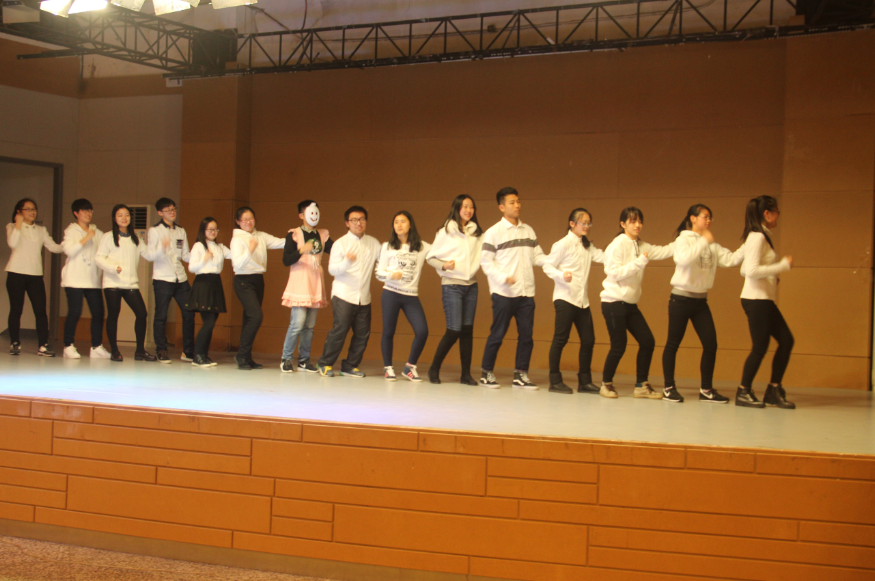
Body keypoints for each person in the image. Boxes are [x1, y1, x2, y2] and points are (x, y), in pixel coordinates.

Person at [661, 204, 744, 403]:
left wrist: (748, 245)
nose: (708, 220)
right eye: (705, 216)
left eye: (710, 218)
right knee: (673, 343)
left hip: (700, 302)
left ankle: (706, 390)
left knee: (710, 344)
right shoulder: (683, 239)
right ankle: (668, 388)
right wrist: (703, 241)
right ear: (693, 218)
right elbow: (683, 259)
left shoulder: (712, 245)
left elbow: (731, 259)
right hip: (680, 299)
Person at [599, 207, 674, 399]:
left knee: (647, 341)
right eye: (633, 221)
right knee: (619, 345)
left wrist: (685, 239)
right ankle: (605, 384)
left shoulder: (641, 245)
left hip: (630, 304)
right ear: (623, 224)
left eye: (640, 221)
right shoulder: (617, 244)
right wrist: (639, 263)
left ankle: (641, 385)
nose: (637, 225)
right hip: (613, 302)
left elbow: (665, 251)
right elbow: (613, 273)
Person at [479, 187, 546, 390]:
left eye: (518, 201)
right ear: (501, 207)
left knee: (527, 336)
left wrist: (553, 261)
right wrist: (503, 278)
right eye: (512, 202)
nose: (517, 205)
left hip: (526, 292)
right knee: (497, 334)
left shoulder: (528, 230)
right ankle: (486, 373)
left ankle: (520, 374)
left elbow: (537, 256)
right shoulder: (493, 232)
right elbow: (486, 262)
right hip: (504, 293)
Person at [737, 195, 794, 409]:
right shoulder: (757, 237)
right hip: (756, 299)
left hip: (764, 299)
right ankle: (743, 391)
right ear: (767, 214)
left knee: (786, 340)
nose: (779, 215)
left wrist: (772, 276)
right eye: (777, 211)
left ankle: (773, 390)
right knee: (760, 347)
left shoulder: (762, 236)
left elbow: (745, 269)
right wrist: (782, 266)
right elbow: (751, 271)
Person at [540, 208, 604, 394]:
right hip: (565, 298)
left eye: (589, 223)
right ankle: (555, 381)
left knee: (588, 340)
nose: (587, 226)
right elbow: (547, 265)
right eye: (583, 222)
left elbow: (604, 257)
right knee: (560, 339)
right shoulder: (562, 244)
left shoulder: (587, 246)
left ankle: (584, 382)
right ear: (572, 224)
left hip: (582, 301)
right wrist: (561, 275)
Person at [317, 206, 381, 378]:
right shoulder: (340, 244)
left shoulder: (374, 243)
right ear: (347, 223)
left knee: (362, 334)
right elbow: (332, 270)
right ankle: (324, 363)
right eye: (354, 220)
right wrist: (347, 261)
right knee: (340, 331)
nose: (358, 223)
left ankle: (350, 366)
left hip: (364, 297)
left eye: (362, 219)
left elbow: (382, 263)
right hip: (343, 295)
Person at [425, 195, 483, 385]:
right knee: (454, 329)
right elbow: (430, 257)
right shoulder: (445, 231)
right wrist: (444, 266)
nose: (468, 210)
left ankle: (465, 374)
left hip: (471, 286)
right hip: (452, 286)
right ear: (457, 208)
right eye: (464, 206)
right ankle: (434, 368)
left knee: (467, 330)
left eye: (471, 207)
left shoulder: (477, 233)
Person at [95, 204, 156, 362]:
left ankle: (140, 351)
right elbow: (99, 258)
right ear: (114, 218)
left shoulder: (136, 238)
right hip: (112, 283)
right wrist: (113, 268)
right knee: (113, 315)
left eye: (127, 215)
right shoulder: (108, 237)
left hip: (130, 284)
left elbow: (149, 255)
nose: (124, 218)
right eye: (120, 215)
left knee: (142, 313)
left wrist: (161, 247)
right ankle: (114, 350)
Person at [376, 211, 431, 382]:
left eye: (403, 221)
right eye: (396, 222)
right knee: (388, 331)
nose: (399, 225)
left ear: (410, 224)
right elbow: (378, 272)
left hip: (411, 296)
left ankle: (409, 367)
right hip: (390, 293)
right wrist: (391, 275)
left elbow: (440, 252)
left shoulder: (422, 246)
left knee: (422, 331)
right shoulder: (387, 246)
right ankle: (388, 368)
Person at [5, 198, 63, 356]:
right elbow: (12, 243)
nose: (32, 212)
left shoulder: (41, 230)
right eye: (28, 209)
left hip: (35, 275)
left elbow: (54, 247)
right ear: (19, 211)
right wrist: (18, 223)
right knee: (16, 309)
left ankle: (43, 345)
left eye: (34, 209)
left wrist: (72, 244)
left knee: (40, 311)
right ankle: (15, 342)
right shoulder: (12, 226)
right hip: (16, 273)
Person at [230, 207, 286, 370]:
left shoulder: (260, 236)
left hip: (258, 279)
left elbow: (281, 242)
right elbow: (237, 265)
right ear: (238, 222)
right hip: (243, 280)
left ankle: (246, 356)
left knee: (249, 319)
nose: (249, 222)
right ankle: (241, 355)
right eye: (245, 220)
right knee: (256, 316)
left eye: (251, 219)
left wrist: (295, 235)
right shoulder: (237, 239)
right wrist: (250, 249)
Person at [280, 200, 333, 373]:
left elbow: (335, 249)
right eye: (310, 212)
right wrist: (302, 249)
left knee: (309, 326)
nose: (314, 216)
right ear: (301, 215)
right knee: (297, 324)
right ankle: (286, 358)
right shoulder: (294, 234)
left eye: (316, 212)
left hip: (315, 281)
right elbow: (286, 259)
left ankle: (304, 360)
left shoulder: (322, 235)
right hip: (300, 282)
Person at [60, 198, 111, 359]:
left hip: (92, 280)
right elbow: (69, 250)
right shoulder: (71, 230)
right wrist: (87, 238)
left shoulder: (96, 232)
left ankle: (96, 346)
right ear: (76, 213)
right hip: (74, 280)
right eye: (84, 211)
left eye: (90, 210)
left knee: (98, 313)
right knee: (75, 312)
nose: (88, 213)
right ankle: (68, 345)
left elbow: (108, 244)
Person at [148, 198, 194, 364]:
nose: (172, 212)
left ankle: (187, 351)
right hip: (163, 278)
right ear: (160, 213)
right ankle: (161, 349)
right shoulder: (155, 231)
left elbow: (185, 255)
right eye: (168, 210)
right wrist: (162, 247)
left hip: (180, 278)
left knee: (189, 313)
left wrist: (200, 255)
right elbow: (150, 255)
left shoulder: (180, 231)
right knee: (161, 315)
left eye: (174, 209)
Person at [185, 217, 232, 367]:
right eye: (210, 229)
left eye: (215, 229)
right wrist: (204, 259)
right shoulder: (198, 246)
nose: (213, 232)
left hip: (215, 283)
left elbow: (235, 255)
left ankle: (203, 355)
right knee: (209, 322)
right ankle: (198, 355)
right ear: (203, 230)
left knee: (211, 322)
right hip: (203, 283)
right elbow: (191, 268)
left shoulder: (220, 247)